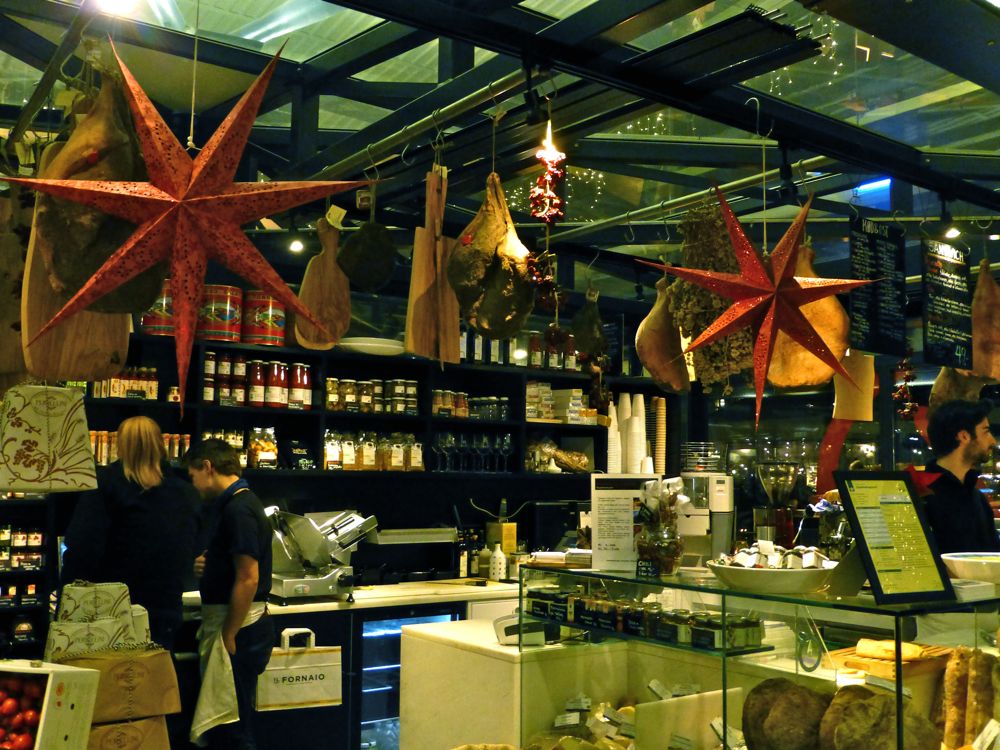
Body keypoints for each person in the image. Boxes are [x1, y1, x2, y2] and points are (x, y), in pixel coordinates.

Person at [61, 416, 200, 650]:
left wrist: (67, 592)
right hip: (165, 604)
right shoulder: (185, 492)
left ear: (120, 445)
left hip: (109, 606)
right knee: (155, 676)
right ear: (160, 445)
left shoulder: (104, 485)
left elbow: (82, 547)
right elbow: (191, 545)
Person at [185, 438, 274, 750]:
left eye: (192, 476)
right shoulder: (235, 504)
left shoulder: (239, 509)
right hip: (237, 624)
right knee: (228, 724)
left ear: (208, 467)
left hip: (240, 627)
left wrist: (229, 634)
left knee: (233, 728)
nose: (193, 485)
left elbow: (249, 578)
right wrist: (208, 566)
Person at [923, 398, 1000, 553]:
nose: (992, 440)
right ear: (964, 436)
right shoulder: (922, 496)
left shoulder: (976, 497)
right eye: (986, 431)